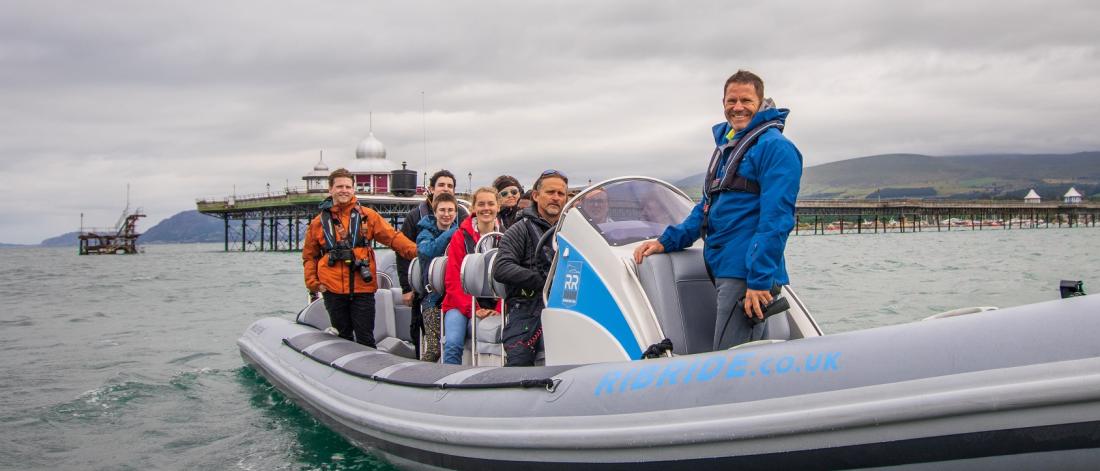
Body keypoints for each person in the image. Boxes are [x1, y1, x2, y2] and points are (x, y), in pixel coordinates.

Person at [633, 70, 803, 350]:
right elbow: (706, 208)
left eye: (746, 100)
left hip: (746, 273)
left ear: (761, 103)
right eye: (731, 100)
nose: (738, 107)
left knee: (732, 360)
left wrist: (759, 280)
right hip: (724, 268)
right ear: (723, 103)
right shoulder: (728, 148)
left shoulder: (775, 148)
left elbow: (777, 219)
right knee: (739, 358)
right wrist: (666, 241)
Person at [303, 168, 419, 347]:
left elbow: (393, 238)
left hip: (362, 288)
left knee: (365, 337)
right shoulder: (318, 223)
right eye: (339, 186)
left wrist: (419, 252)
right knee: (342, 337)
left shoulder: (368, 216)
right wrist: (314, 283)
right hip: (332, 288)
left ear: (353, 189)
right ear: (330, 189)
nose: (344, 190)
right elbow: (309, 256)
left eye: (348, 186)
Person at [493, 170, 568, 366]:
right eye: (550, 192)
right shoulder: (519, 229)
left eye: (561, 194)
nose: (556, 198)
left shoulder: (572, 230)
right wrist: (544, 282)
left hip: (568, 304)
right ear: (535, 196)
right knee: (520, 357)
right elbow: (501, 267)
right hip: (527, 307)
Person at [396, 170, 469, 358]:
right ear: (431, 189)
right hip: (429, 293)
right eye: (441, 185)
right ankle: (422, 368)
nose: (446, 214)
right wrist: (406, 286)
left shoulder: (462, 216)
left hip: (455, 292)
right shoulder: (419, 222)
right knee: (430, 343)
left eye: (450, 185)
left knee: (455, 340)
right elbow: (416, 252)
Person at [440, 187, 503, 365]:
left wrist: (498, 309)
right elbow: (453, 279)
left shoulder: (506, 237)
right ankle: (448, 383)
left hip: (494, 305)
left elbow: (508, 279)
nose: (486, 208)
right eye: (481, 204)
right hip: (460, 304)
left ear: (498, 206)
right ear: (474, 207)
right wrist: (473, 309)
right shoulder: (460, 237)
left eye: (491, 204)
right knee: (453, 343)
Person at [414, 192, 460, 362]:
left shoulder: (460, 233)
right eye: (442, 210)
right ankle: (422, 376)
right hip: (432, 298)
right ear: (435, 212)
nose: (446, 214)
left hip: (453, 296)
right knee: (434, 349)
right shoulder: (425, 233)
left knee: (453, 344)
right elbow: (428, 252)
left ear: (455, 212)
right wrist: (452, 233)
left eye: (450, 210)